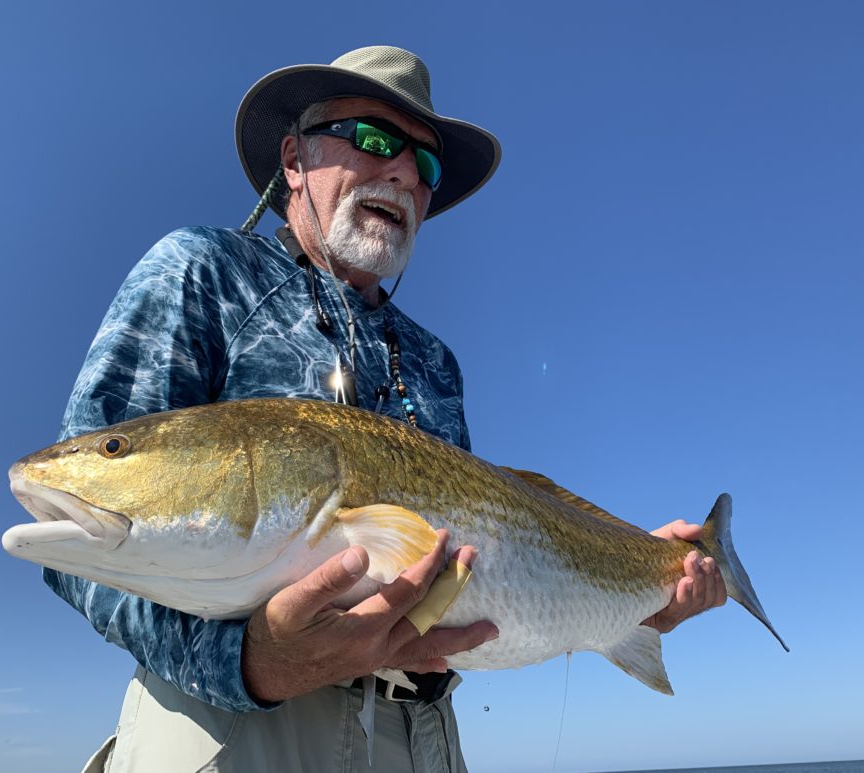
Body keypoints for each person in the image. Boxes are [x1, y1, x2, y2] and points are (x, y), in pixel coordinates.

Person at [49, 46, 727, 773]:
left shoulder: (435, 361)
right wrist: (250, 664)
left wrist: (642, 576)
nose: (403, 171)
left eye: (425, 165)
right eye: (373, 139)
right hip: (239, 730)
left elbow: (493, 558)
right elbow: (78, 547)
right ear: (294, 158)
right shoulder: (205, 271)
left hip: (423, 734)